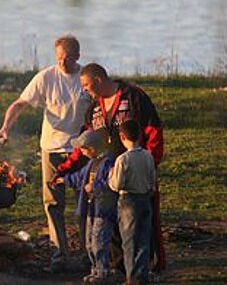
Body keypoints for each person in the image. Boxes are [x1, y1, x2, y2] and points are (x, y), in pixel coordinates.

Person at [52, 63, 166, 274]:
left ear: (98, 80)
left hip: (136, 174)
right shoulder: (93, 110)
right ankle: (119, 269)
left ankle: (146, 269)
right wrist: (64, 169)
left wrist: (149, 163)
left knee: (141, 224)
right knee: (112, 226)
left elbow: (154, 131)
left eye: (86, 85)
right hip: (109, 179)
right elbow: (84, 144)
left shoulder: (134, 97)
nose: (84, 90)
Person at [0, 34, 91, 271]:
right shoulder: (46, 77)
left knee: (84, 204)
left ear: (77, 56)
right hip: (52, 150)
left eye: (66, 59)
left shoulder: (86, 77)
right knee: (53, 204)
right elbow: (20, 104)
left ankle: (89, 255)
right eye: (58, 58)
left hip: (82, 151)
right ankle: (60, 256)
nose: (61, 63)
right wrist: (5, 128)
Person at [61, 130, 118, 284]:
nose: (81, 152)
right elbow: (78, 178)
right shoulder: (90, 164)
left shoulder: (108, 163)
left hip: (103, 210)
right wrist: (63, 180)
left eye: (83, 149)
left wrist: (95, 186)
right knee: (88, 241)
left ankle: (102, 271)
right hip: (91, 210)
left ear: (91, 149)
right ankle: (95, 269)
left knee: (99, 241)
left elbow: (112, 184)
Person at [109, 120, 157, 284]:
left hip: (128, 200)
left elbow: (117, 185)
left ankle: (132, 277)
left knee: (129, 241)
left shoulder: (123, 159)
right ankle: (142, 275)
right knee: (144, 240)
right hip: (145, 198)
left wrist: (110, 176)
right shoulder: (148, 155)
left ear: (122, 136)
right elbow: (152, 180)